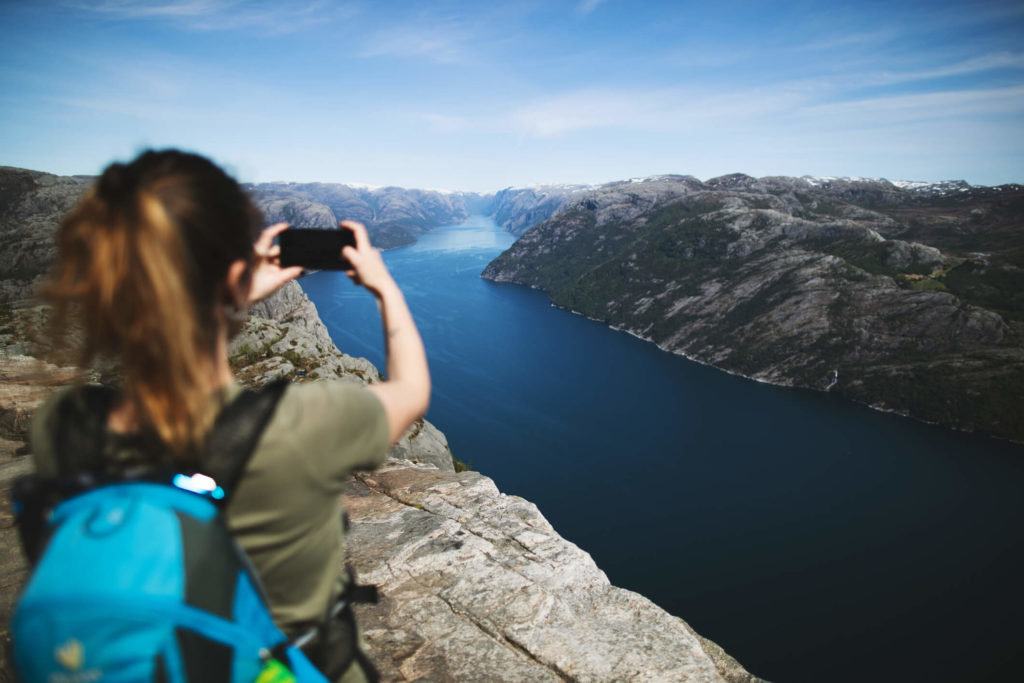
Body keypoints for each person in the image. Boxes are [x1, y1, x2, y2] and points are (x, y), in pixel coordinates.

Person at [28, 149, 430, 682]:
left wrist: (232, 292)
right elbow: (411, 391)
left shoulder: (65, 423)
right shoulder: (299, 426)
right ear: (231, 273)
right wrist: (385, 287)